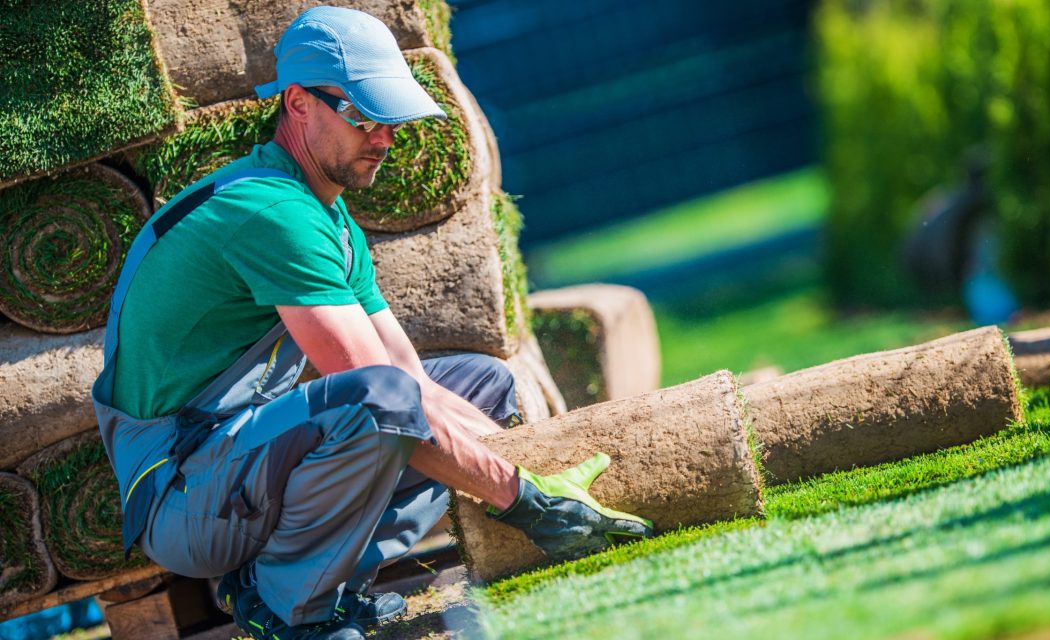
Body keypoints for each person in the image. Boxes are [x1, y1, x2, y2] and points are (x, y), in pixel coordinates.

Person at [90, 7, 651, 640]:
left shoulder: (329, 221)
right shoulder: (270, 212)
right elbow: (376, 387)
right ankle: (286, 607)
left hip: (243, 462)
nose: (384, 137)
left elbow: (415, 381)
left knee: (481, 384)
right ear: (298, 104)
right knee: (379, 399)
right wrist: (521, 497)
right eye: (364, 115)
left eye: (391, 118)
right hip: (185, 496)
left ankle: (313, 580)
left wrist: (535, 469)